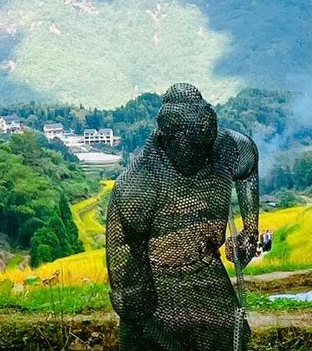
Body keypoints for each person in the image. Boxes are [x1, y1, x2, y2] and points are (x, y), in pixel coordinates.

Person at [106, 83, 259, 351]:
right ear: (170, 138)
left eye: (204, 146)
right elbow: (125, 272)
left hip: (206, 269)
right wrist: (148, 316)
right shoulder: (136, 185)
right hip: (154, 279)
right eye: (192, 147)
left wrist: (250, 229)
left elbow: (248, 168)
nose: (200, 155)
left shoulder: (224, 147)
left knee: (232, 341)